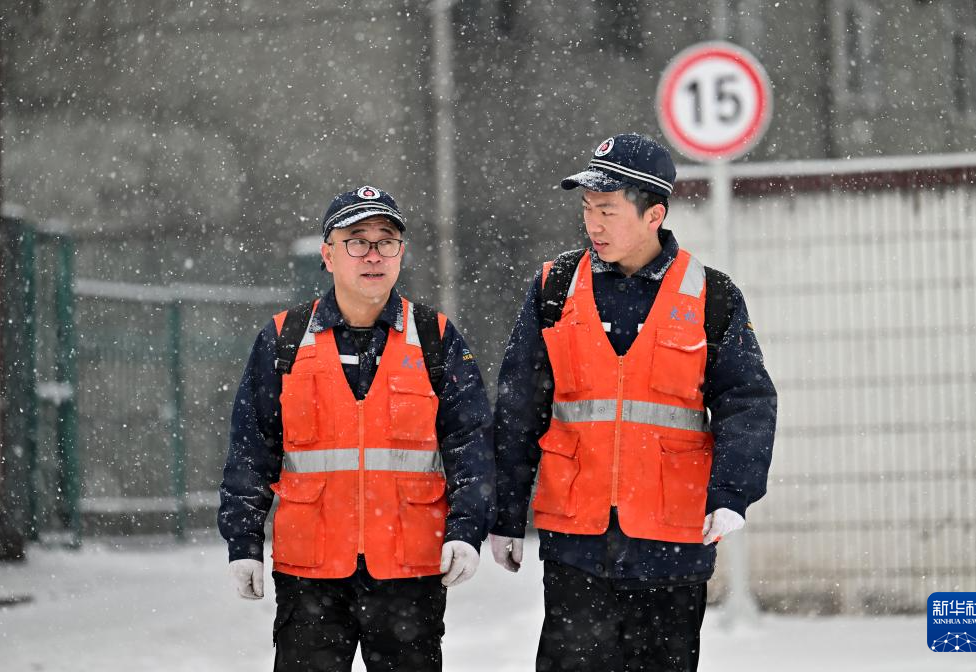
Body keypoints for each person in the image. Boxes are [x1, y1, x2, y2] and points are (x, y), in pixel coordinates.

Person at [489, 134, 777, 672]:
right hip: (576, 539)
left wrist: (732, 493)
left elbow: (748, 400)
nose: (592, 224)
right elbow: (518, 406)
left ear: (654, 214)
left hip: (671, 542)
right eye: (586, 209)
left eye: (607, 209)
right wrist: (505, 512)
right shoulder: (553, 290)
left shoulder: (711, 295)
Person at [218, 185, 495, 672]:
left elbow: (470, 442)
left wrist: (467, 530)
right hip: (311, 574)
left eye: (386, 241)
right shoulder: (283, 340)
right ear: (328, 254)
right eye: (356, 240)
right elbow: (252, 449)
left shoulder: (434, 339)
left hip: (409, 570)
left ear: (401, 254)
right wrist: (243, 542)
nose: (373, 254)